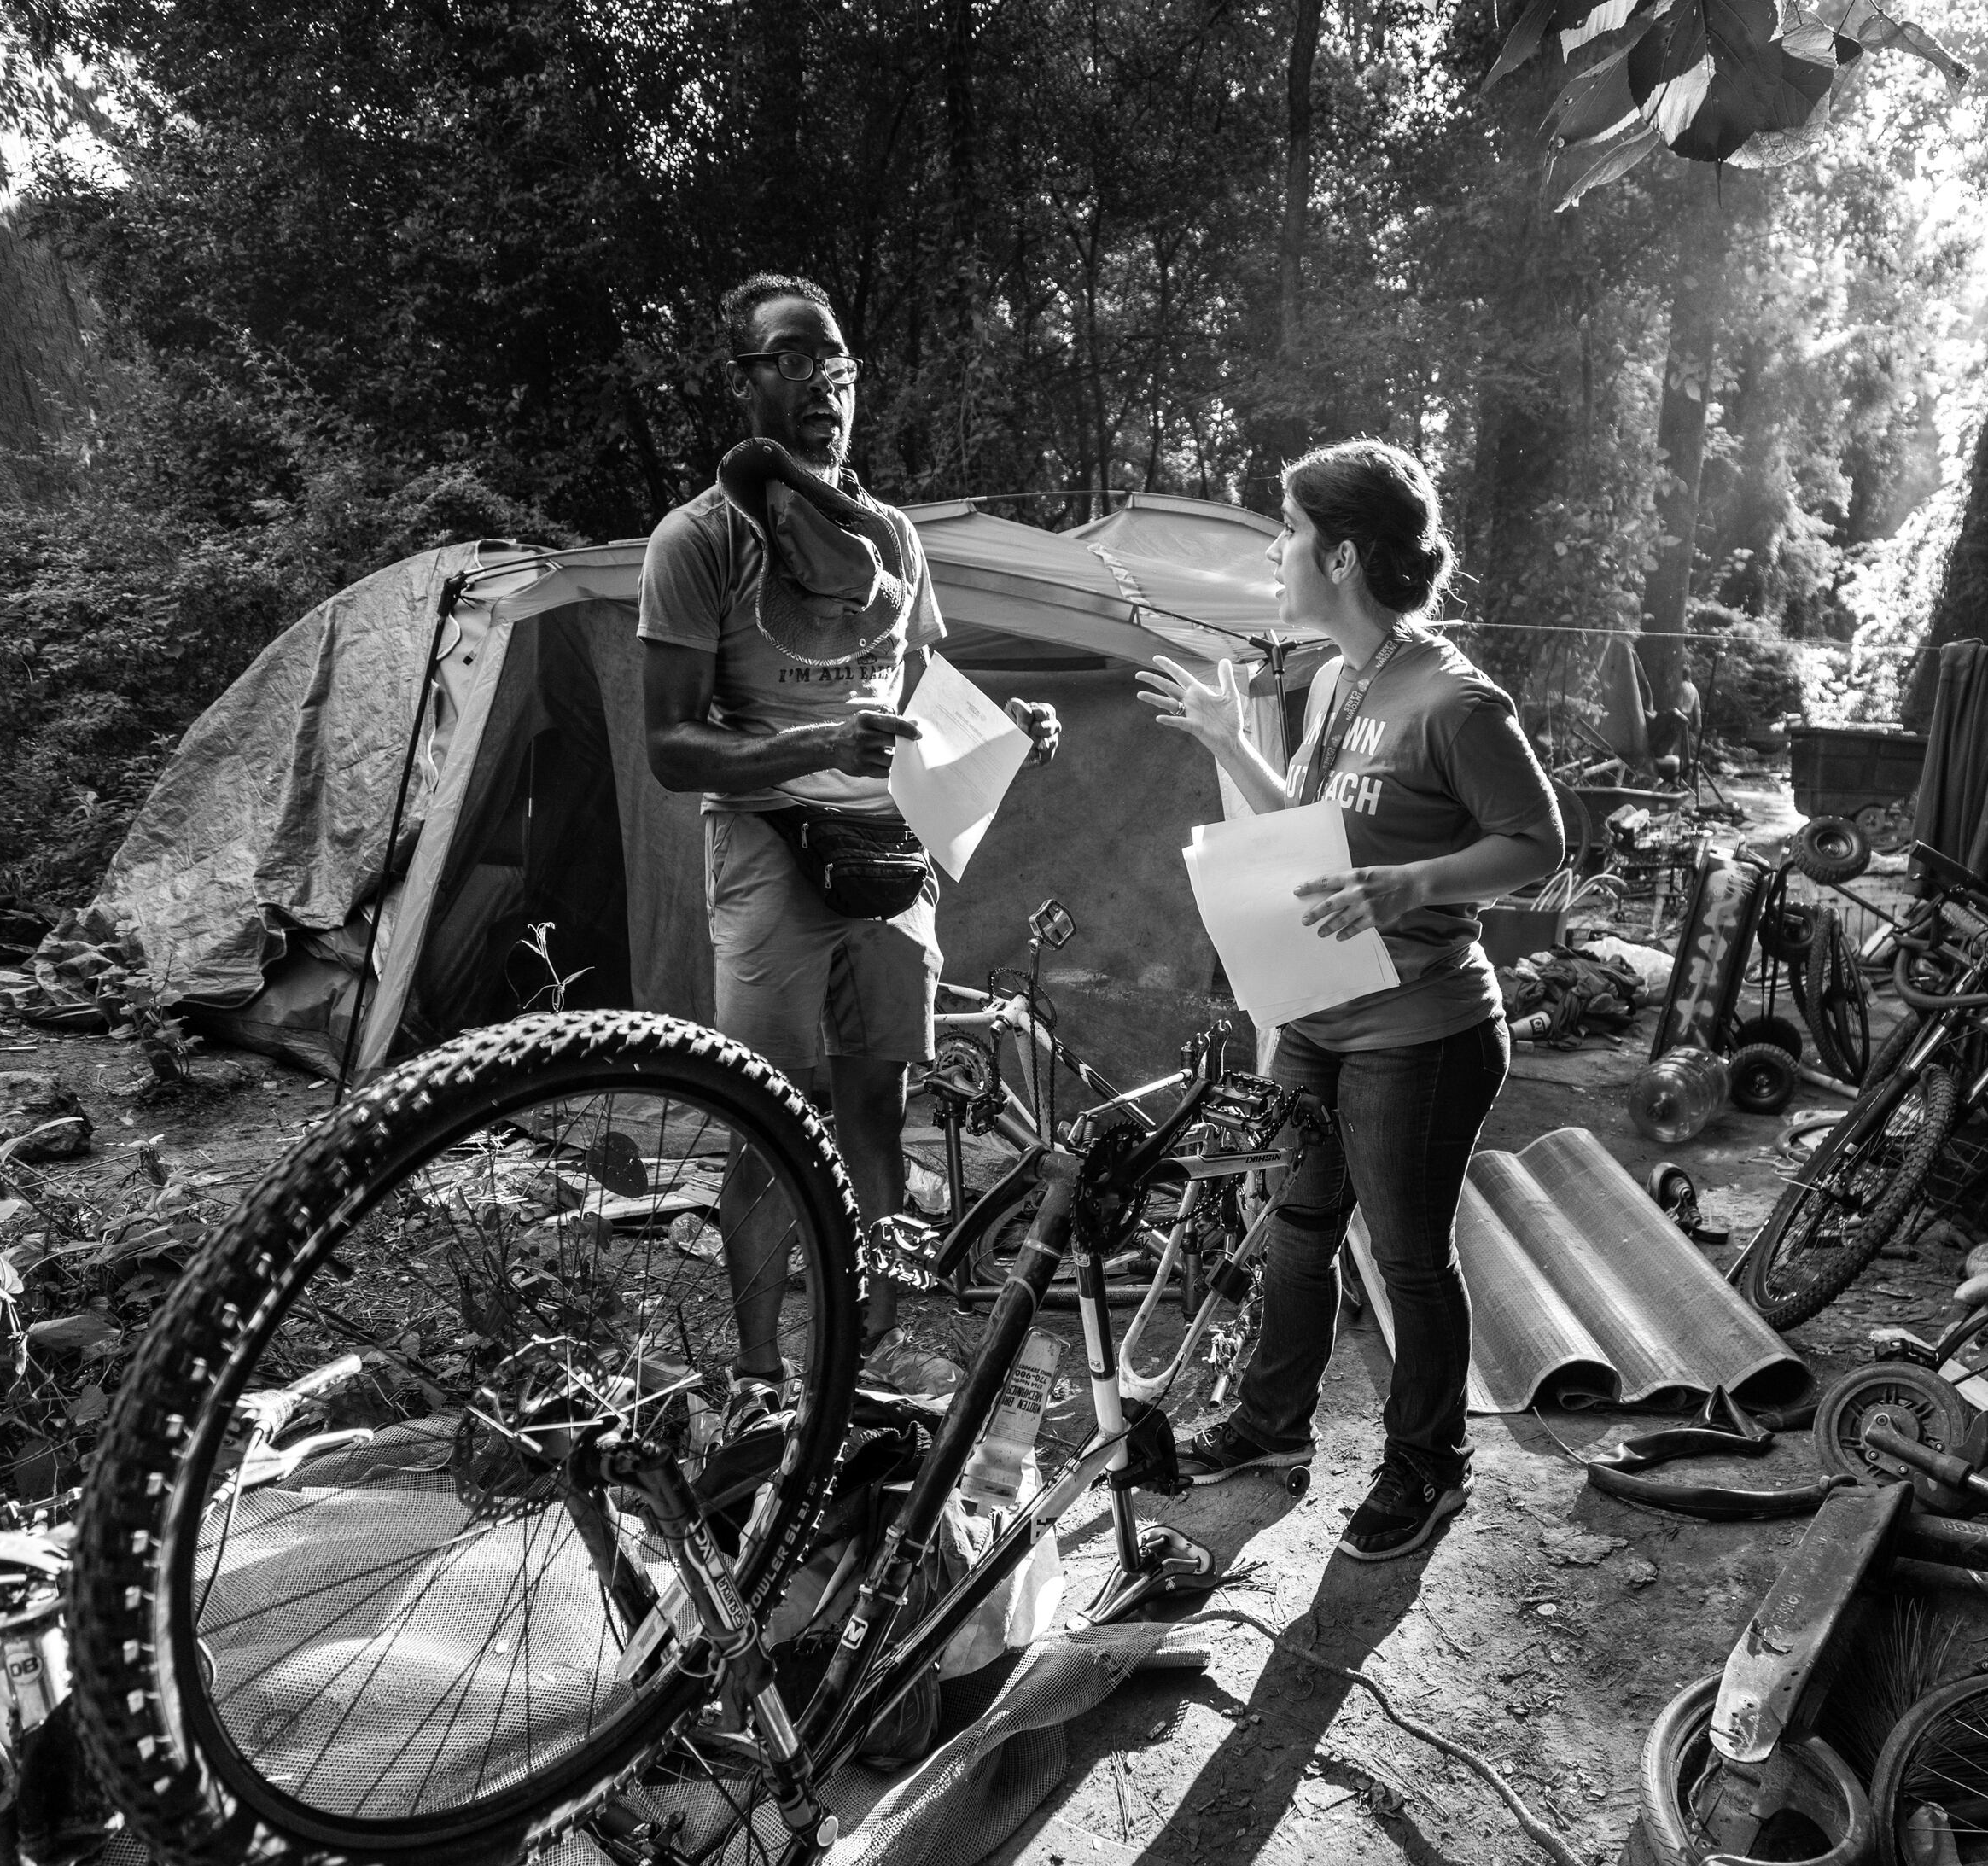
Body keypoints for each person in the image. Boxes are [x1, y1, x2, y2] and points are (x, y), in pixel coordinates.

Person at [1136, 440, 1565, 1560]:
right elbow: (1317, 831)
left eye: (1284, 530)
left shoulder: (1454, 698)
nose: (1274, 551)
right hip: (1321, 1008)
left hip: (1423, 1028)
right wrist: (1233, 738)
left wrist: (1414, 883)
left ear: (1339, 552)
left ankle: (1429, 1465)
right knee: (1295, 1233)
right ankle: (1272, 1426)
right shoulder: (1334, 677)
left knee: (1410, 1256)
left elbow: (1540, 843)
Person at [640, 272, 1059, 1408]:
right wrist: (806, 747)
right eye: (795, 362)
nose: (825, 387)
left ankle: (870, 1348)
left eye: (840, 368)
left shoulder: (896, 540)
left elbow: (920, 692)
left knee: (880, 1106)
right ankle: (763, 1374)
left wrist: (1005, 731)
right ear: (748, 381)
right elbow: (672, 748)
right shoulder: (698, 542)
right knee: (767, 1116)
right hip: (772, 857)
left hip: (894, 857)